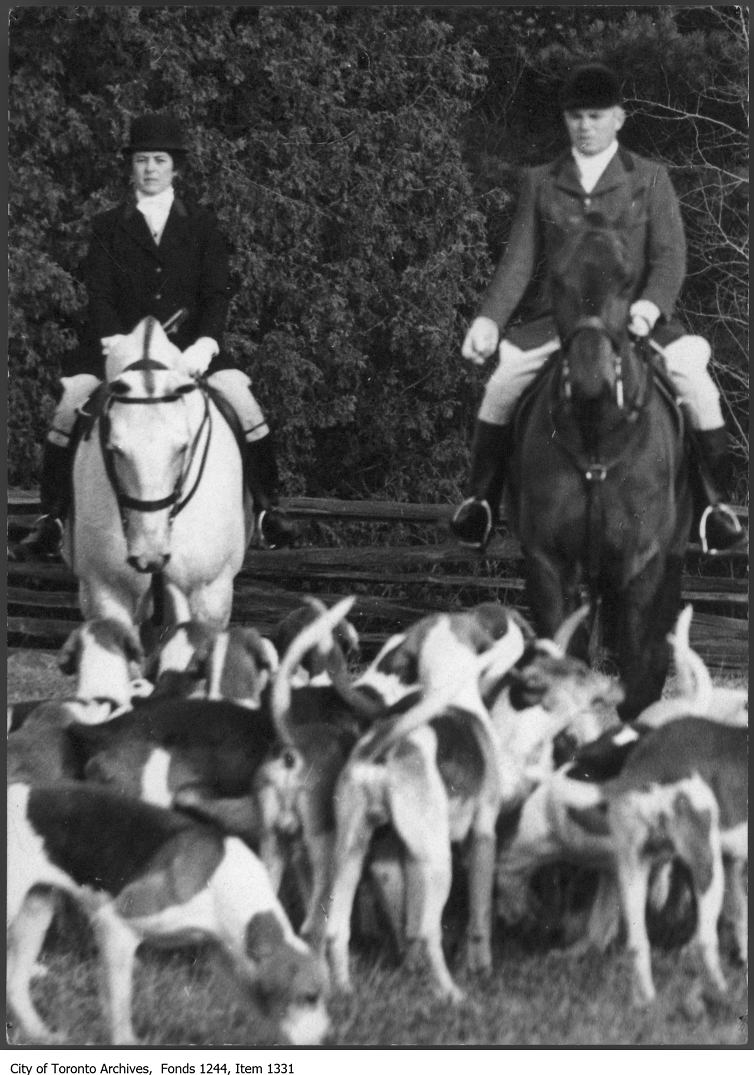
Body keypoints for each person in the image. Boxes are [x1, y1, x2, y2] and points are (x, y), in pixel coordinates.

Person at [451, 63, 746, 556]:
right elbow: (519, 260)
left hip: (633, 319)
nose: (585, 126)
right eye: (576, 117)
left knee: (697, 384)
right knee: (502, 384)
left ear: (618, 118)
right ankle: (480, 502)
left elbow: (670, 257)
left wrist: (650, 307)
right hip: (563, 323)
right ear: (566, 121)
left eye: (595, 115)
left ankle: (716, 507)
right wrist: (489, 319)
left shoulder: (650, 178)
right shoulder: (541, 181)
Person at [14, 113, 297, 560]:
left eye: (159, 160)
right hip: (119, 352)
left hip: (188, 353)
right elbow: (100, 292)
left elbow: (216, 292)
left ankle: (267, 511)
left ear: (174, 167)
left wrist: (206, 343)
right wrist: (112, 341)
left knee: (243, 402)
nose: (150, 168)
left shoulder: (202, 224)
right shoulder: (108, 225)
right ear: (132, 166)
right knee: (70, 406)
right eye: (142, 160)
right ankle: (51, 520)